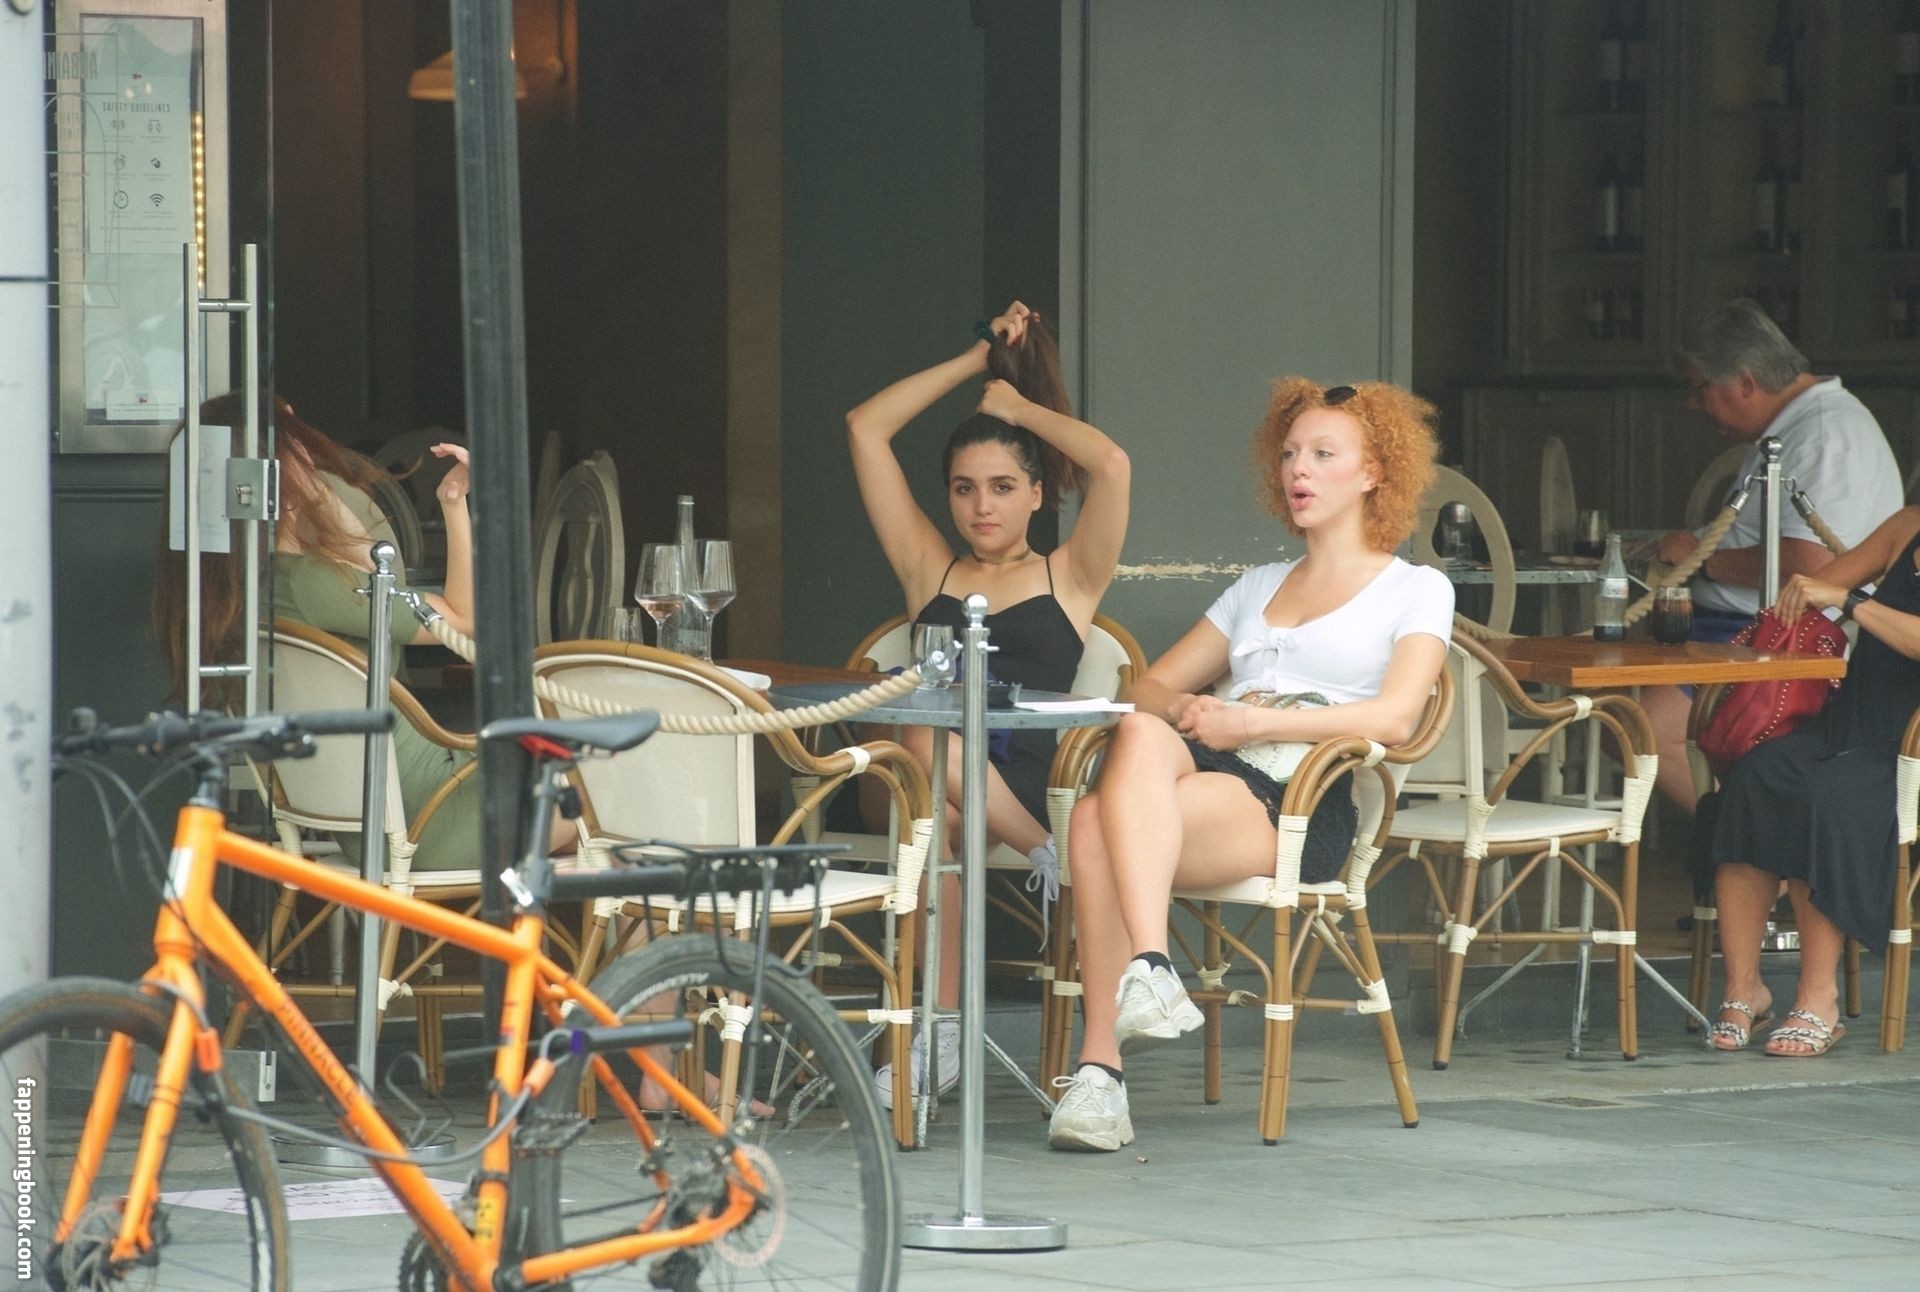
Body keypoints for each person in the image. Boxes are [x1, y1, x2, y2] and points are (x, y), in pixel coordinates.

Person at [1046, 378, 1452, 1152]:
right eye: (1291, 454)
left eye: (1324, 455)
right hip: (1212, 769)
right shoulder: (1258, 586)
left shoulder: (1415, 588)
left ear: (1373, 473)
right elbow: (1148, 688)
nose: (1299, 469)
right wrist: (1195, 710)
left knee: (1096, 822)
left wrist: (1252, 719)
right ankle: (1150, 971)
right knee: (1139, 730)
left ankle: (1102, 1072)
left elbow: (1396, 718)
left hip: (1300, 797)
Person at [846, 299, 1131, 1106]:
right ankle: (1049, 857)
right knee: (923, 733)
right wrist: (976, 361)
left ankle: (940, 1034)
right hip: (920, 773)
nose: (982, 507)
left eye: (1004, 487)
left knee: (937, 811)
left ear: (1037, 493)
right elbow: (866, 427)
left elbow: (1112, 465)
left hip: (1022, 777)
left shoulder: (1070, 575)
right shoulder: (928, 568)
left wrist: (1017, 407)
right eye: (965, 489)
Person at [154, 393, 574, 868]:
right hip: (429, 817)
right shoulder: (309, 585)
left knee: (611, 834)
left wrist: (301, 481)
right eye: (298, 449)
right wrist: (453, 506)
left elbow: (374, 574)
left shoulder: (249, 590)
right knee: (620, 780)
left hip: (380, 824)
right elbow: (462, 619)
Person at [1642, 298, 1901, 812]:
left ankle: (1755, 844)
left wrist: (1701, 557)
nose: (1693, 404)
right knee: (1615, 704)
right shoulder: (1797, 425)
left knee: (1646, 728)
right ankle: (1748, 840)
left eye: (1699, 388)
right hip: (1731, 625)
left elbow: (1812, 569)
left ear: (1745, 381)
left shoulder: (1826, 435)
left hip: (1778, 636)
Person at [1704, 506, 1920, 1057]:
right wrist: (1803, 600)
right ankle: (1744, 989)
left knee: (1828, 796)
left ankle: (1817, 998)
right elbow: (1815, 587)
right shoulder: (1907, 526)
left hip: (1910, 749)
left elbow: (1858, 605)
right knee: (1755, 777)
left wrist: (1850, 602)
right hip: (1848, 722)